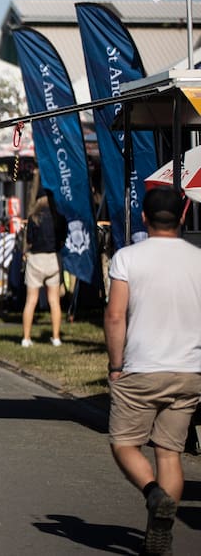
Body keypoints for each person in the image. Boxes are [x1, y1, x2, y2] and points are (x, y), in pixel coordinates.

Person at [104, 187, 201, 556]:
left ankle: (153, 493)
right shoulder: (198, 259)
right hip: (189, 370)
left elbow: (115, 315)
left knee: (124, 443)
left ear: (143, 216)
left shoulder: (128, 258)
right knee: (169, 452)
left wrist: (116, 366)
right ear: (184, 213)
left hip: (142, 367)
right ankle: (160, 526)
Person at [20, 191, 65, 347]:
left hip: (36, 259)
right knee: (54, 301)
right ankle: (56, 337)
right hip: (53, 258)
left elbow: (30, 240)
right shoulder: (59, 216)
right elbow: (63, 239)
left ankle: (26, 338)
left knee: (31, 301)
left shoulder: (34, 218)